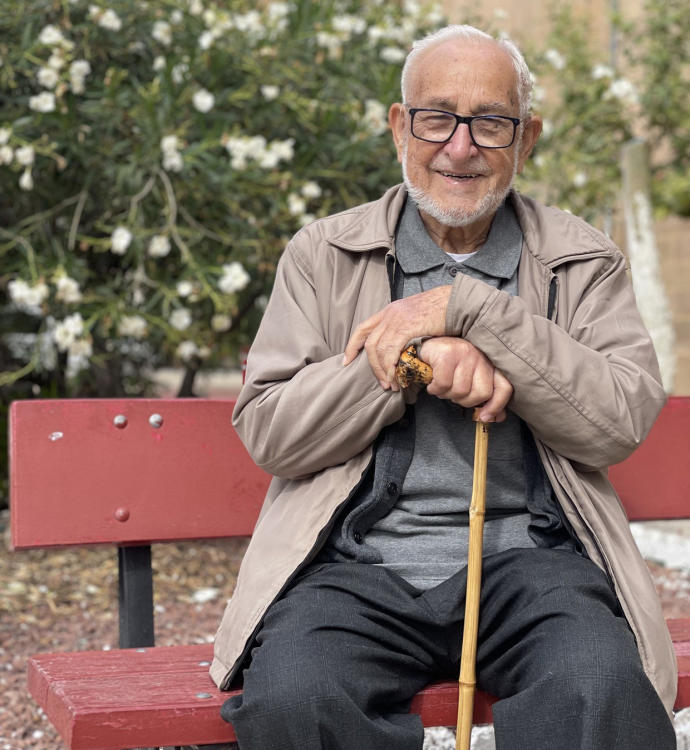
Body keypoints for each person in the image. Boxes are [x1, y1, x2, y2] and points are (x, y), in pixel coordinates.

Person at [210, 24, 677, 750]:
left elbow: (615, 421)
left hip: (532, 565)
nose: (460, 147)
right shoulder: (323, 253)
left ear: (527, 139)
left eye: (490, 122)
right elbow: (271, 431)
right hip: (356, 566)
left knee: (600, 685)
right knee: (297, 699)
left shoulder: (584, 261)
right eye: (437, 117)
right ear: (400, 126)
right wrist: (411, 361)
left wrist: (472, 311)